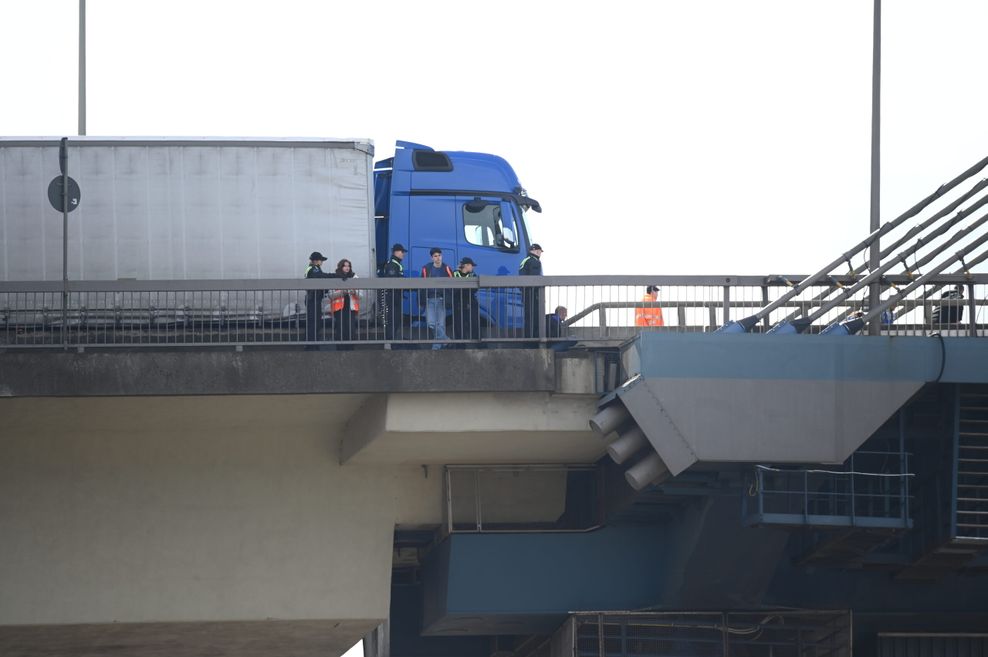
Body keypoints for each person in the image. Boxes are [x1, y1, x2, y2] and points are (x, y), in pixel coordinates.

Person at [420, 247, 454, 349]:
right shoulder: (426, 268)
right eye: (435, 256)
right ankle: (446, 340)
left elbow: (453, 283)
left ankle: (436, 348)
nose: (438, 258)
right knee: (430, 323)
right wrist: (421, 300)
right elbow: (421, 284)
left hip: (441, 300)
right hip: (429, 299)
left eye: (439, 255)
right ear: (432, 258)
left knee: (441, 324)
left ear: (441, 256)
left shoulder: (446, 268)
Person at [303, 251, 336, 349]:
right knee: (314, 323)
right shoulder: (314, 269)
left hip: (314, 299)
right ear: (316, 261)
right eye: (321, 260)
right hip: (313, 299)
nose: (322, 262)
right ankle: (312, 346)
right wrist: (335, 275)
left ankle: (313, 345)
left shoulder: (313, 269)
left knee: (315, 322)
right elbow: (323, 277)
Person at [330, 259, 360, 348]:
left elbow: (361, 295)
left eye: (348, 266)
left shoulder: (355, 277)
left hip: (351, 308)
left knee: (351, 329)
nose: (347, 268)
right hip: (339, 309)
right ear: (341, 267)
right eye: (345, 266)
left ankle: (350, 348)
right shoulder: (335, 277)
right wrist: (342, 292)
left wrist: (354, 292)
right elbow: (330, 295)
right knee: (340, 329)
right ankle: (340, 349)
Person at [380, 243, 407, 342]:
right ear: (396, 252)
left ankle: (394, 340)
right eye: (402, 252)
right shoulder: (392, 264)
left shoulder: (396, 263)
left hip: (395, 295)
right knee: (392, 319)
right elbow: (393, 280)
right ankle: (390, 341)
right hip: (392, 296)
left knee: (395, 319)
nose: (403, 254)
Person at [453, 256, 481, 345]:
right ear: (466, 265)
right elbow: (454, 289)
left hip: (471, 302)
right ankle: (460, 345)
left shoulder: (473, 275)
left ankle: (478, 344)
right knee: (458, 324)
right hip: (458, 303)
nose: (473, 267)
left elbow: (475, 289)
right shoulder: (455, 274)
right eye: (471, 265)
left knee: (474, 322)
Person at [519, 243, 544, 341]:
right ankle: (533, 340)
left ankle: (528, 340)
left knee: (528, 317)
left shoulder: (525, 260)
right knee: (535, 317)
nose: (540, 253)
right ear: (534, 251)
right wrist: (538, 293)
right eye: (539, 251)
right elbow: (535, 279)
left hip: (525, 292)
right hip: (532, 293)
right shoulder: (535, 262)